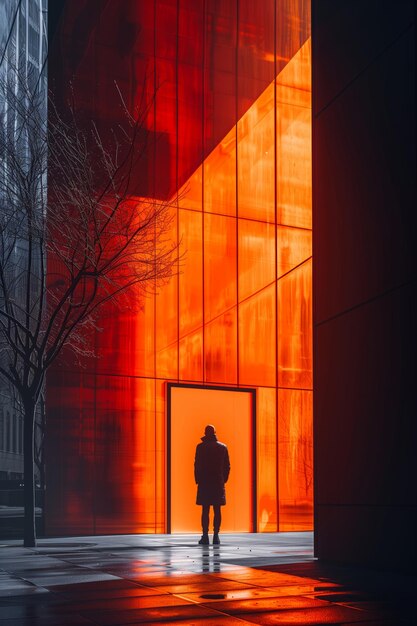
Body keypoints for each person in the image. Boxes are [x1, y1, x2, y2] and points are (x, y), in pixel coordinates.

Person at [194, 424, 230, 545]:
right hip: (217, 483)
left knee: (205, 510)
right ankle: (216, 536)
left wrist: (198, 480)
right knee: (217, 510)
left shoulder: (200, 447)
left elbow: (197, 465)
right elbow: (227, 467)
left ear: (205, 433)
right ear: (215, 432)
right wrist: (223, 480)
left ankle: (205, 535)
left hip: (205, 483)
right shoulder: (223, 447)